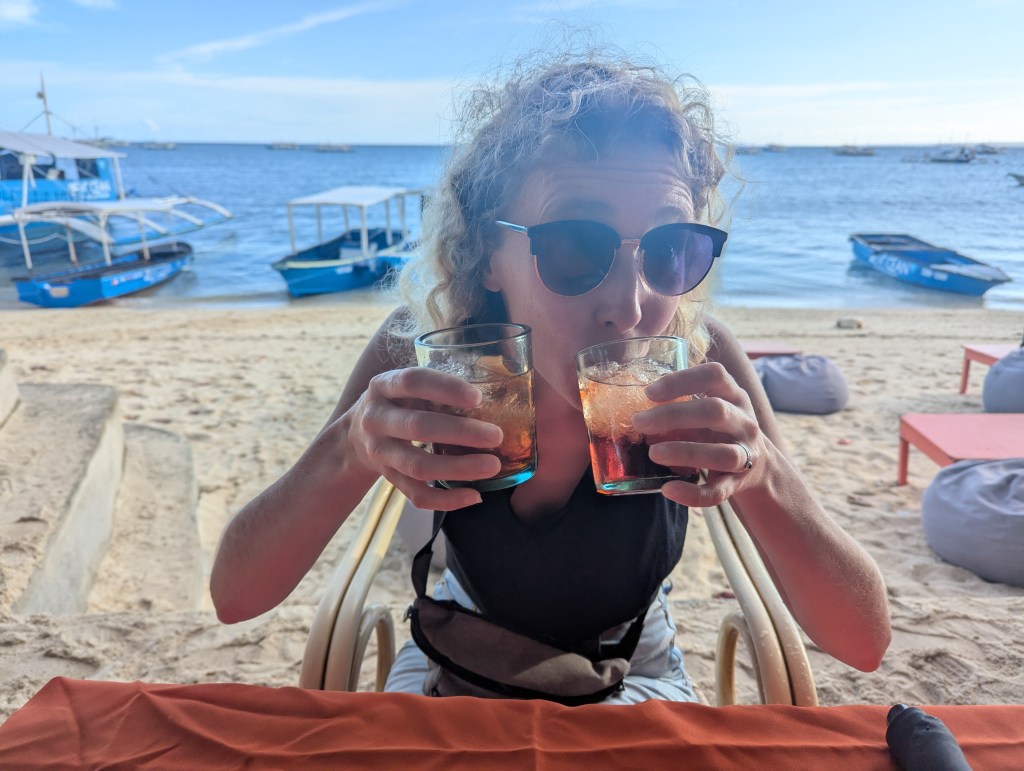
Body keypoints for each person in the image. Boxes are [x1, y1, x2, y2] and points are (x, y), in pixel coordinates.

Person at [210, 46, 891, 703]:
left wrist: (763, 471)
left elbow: (861, 640)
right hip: (465, 638)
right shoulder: (424, 359)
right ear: (486, 257)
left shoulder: (701, 362)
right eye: (573, 246)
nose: (628, 309)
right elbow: (236, 594)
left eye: (669, 249)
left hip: (635, 652)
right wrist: (351, 447)